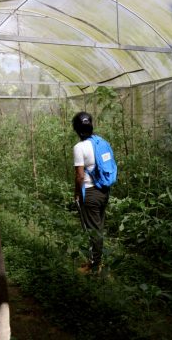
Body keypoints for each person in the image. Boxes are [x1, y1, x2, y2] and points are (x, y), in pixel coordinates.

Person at [72, 111, 109, 274]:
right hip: (104, 191)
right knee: (98, 227)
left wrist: (77, 194)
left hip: (90, 193)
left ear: (76, 129)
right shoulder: (101, 142)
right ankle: (95, 261)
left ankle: (95, 266)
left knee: (93, 230)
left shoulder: (79, 147)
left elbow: (80, 176)